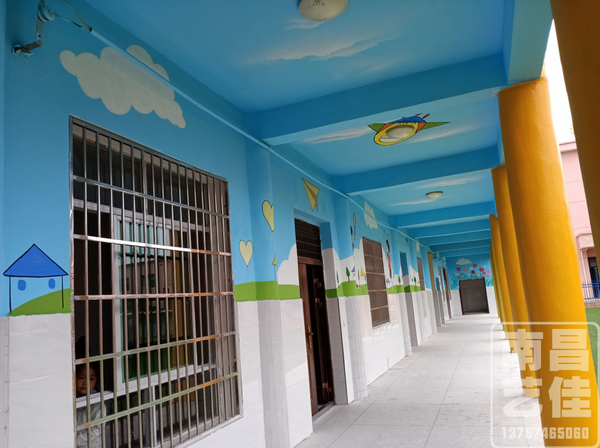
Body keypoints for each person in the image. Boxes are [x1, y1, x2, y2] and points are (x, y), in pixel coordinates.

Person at [76, 363, 103, 448]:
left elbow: (96, 431)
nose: (85, 383)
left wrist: (74, 440)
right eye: (81, 377)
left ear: (96, 381)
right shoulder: (69, 398)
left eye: (91, 379)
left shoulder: (97, 402)